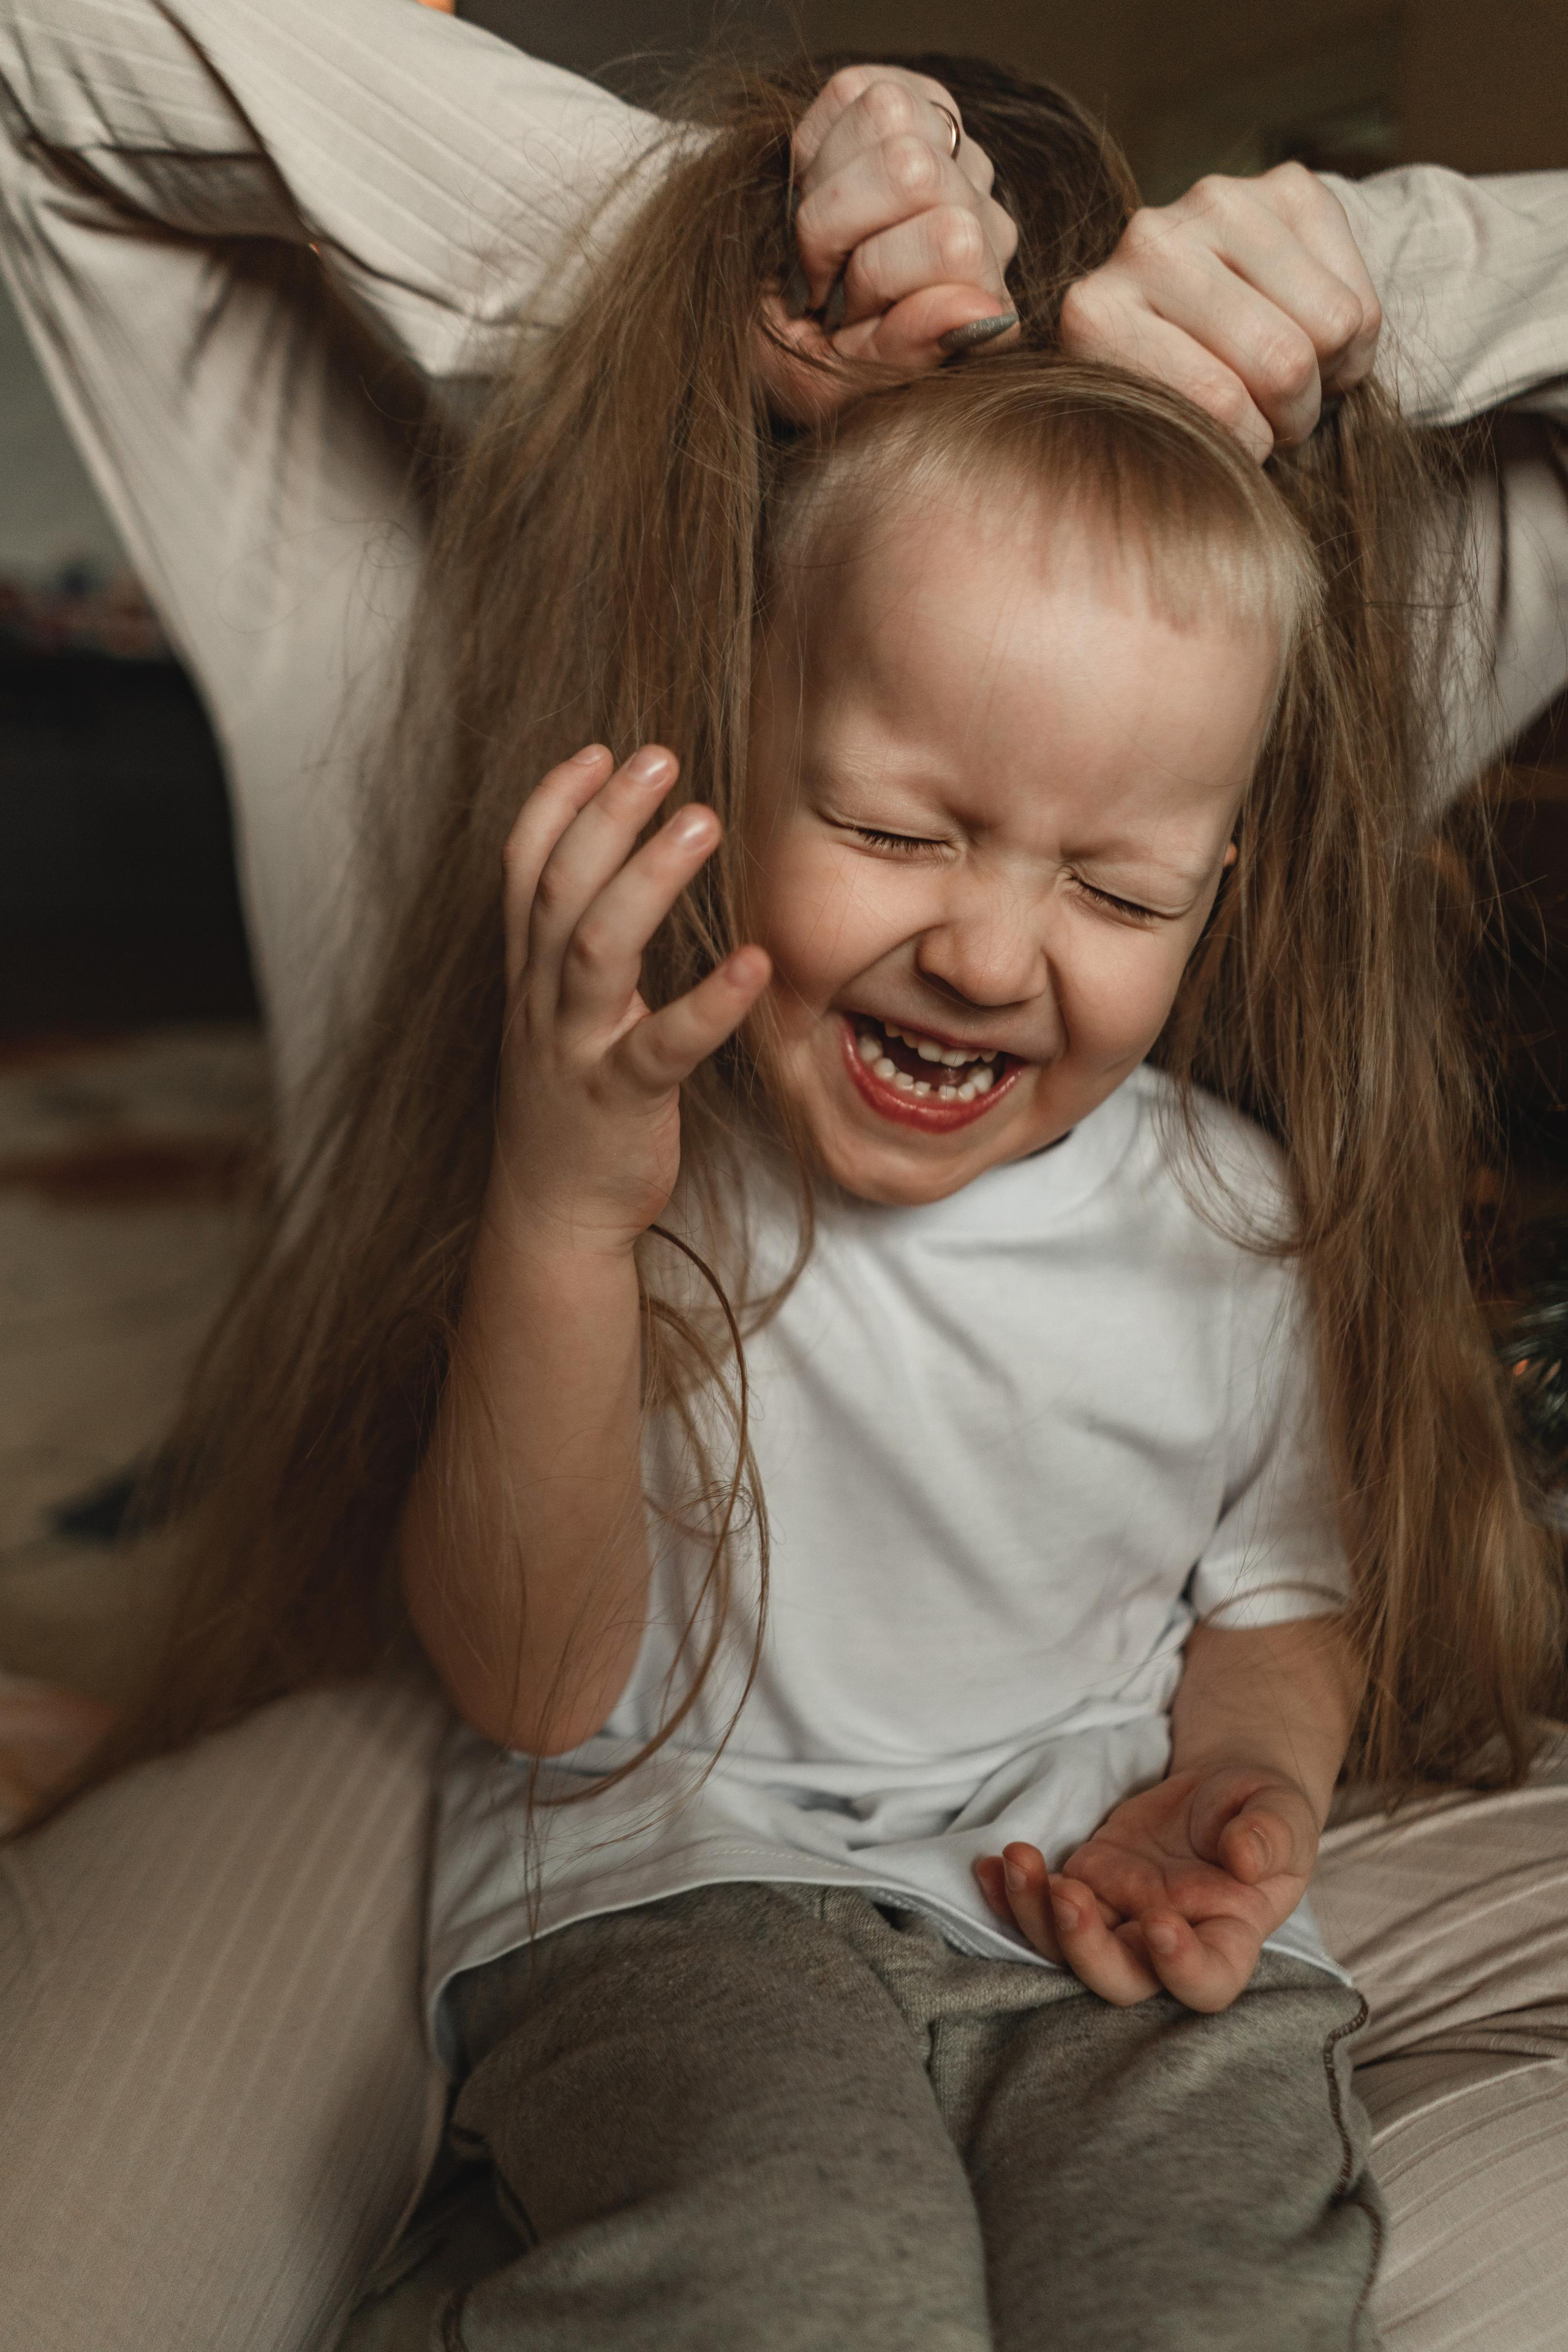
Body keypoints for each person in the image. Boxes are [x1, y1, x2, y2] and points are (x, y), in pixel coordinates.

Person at [0, 7, 1566, 2350]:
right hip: (597, 1829)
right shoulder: (582, 942)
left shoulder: (1223, 915)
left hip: (1070, 1864)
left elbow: (1274, 1599)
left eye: (1122, 886)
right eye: (899, 820)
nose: (993, 936)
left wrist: (1380, 275)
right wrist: (668, 246)